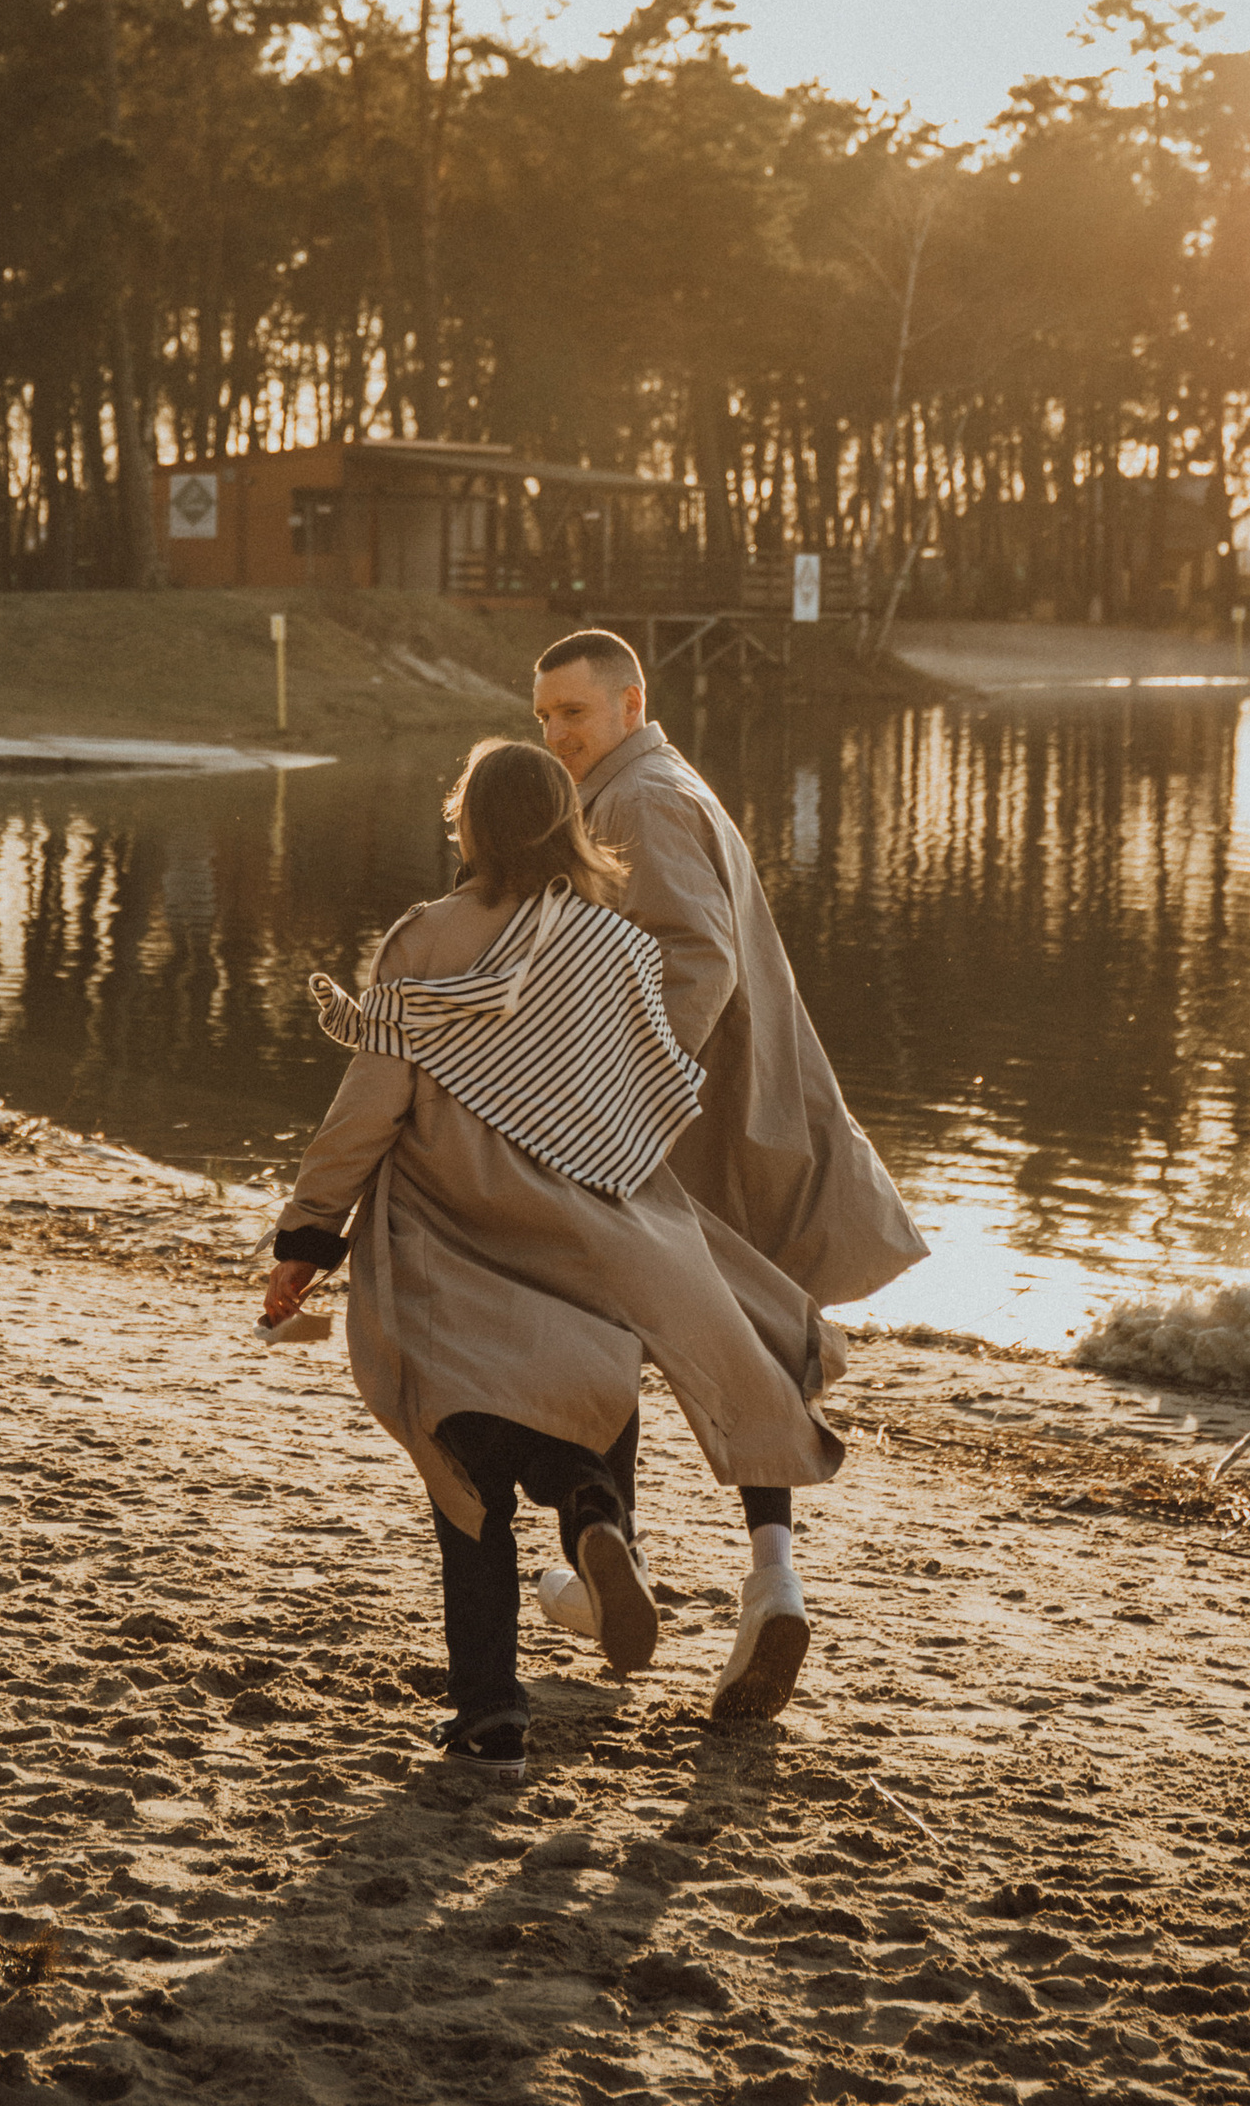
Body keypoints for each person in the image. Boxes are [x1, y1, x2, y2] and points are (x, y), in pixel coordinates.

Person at [261, 737, 841, 1786]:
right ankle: (589, 1521)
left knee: (463, 1467)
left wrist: (309, 1233)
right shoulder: (614, 948)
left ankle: (490, 1718)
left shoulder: (425, 938)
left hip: (447, 1229)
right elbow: (635, 1101)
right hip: (580, 1233)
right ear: (568, 826)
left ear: (472, 827)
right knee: (571, 1414)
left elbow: (371, 1103)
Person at [530, 627, 925, 1721]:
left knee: (595, 1321)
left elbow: (695, 959)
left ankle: (615, 1557)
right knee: (734, 1344)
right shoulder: (652, 783)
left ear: (627, 701)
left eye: (572, 712)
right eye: (544, 718)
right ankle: (763, 1581)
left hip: (687, 1128)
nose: (557, 735)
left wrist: (628, 1103)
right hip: (736, 1113)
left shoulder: (639, 801)